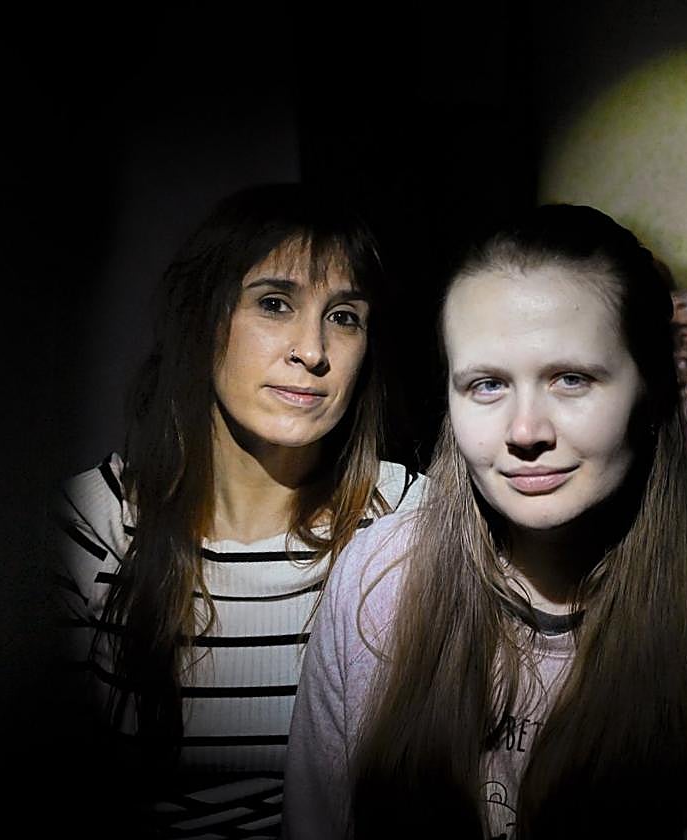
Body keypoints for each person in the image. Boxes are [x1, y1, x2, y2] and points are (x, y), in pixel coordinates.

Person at [283, 204, 687, 838]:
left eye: (571, 379)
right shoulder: (380, 576)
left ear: (651, 387)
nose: (525, 432)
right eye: (487, 385)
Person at [54, 183, 424, 837]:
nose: (312, 351)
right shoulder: (95, 524)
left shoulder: (406, 517)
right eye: (275, 304)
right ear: (204, 320)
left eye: (344, 317)